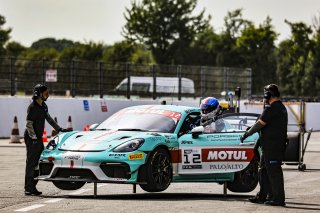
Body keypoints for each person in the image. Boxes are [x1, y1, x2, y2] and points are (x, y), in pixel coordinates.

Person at [240, 84, 288, 206]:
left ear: (268, 94)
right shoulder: (280, 107)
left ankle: (278, 199)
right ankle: (264, 196)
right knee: (263, 171)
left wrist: (247, 133)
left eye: (265, 93)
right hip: (270, 146)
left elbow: (259, 124)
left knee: (274, 172)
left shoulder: (272, 109)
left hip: (273, 147)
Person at [24, 84, 69, 196]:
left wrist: (59, 129)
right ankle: (28, 188)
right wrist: (34, 138)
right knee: (31, 163)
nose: (47, 95)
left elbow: (48, 119)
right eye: (45, 93)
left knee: (38, 163)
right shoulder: (32, 107)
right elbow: (29, 125)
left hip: (38, 138)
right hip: (32, 138)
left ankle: (32, 187)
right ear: (38, 94)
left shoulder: (44, 106)